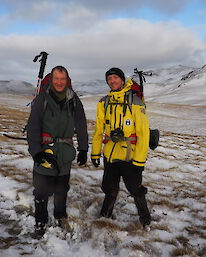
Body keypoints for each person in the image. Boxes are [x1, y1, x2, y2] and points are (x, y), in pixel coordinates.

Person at [26, 66, 89, 238]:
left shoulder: (74, 99)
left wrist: (84, 148)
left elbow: (81, 124)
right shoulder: (42, 99)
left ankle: (60, 216)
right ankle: (40, 222)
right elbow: (33, 127)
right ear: (52, 80)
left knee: (62, 189)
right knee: (40, 190)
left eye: (63, 79)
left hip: (65, 154)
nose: (59, 82)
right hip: (45, 152)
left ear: (67, 80)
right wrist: (36, 152)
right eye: (56, 79)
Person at [91, 67, 151, 228]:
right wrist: (95, 153)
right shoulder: (103, 102)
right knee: (109, 187)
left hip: (130, 156)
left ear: (122, 80)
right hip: (110, 154)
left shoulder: (135, 102)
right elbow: (99, 130)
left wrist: (139, 161)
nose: (112, 81)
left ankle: (145, 220)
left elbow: (143, 133)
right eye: (109, 78)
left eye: (115, 78)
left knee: (135, 188)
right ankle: (105, 215)